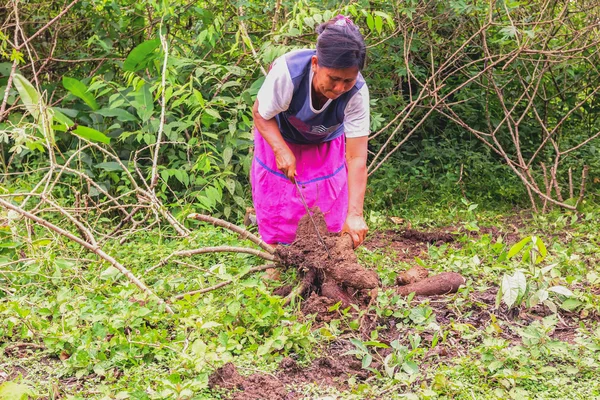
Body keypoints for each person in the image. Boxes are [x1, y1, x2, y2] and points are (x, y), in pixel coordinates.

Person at [251, 15, 369, 247]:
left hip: (324, 141)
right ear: (315, 64)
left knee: (328, 197)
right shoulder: (288, 72)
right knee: (278, 198)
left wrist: (355, 214)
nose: (339, 89)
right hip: (279, 133)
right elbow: (260, 114)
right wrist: (281, 150)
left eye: (347, 80)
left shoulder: (356, 93)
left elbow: (356, 158)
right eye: (334, 79)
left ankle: (328, 251)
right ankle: (276, 255)